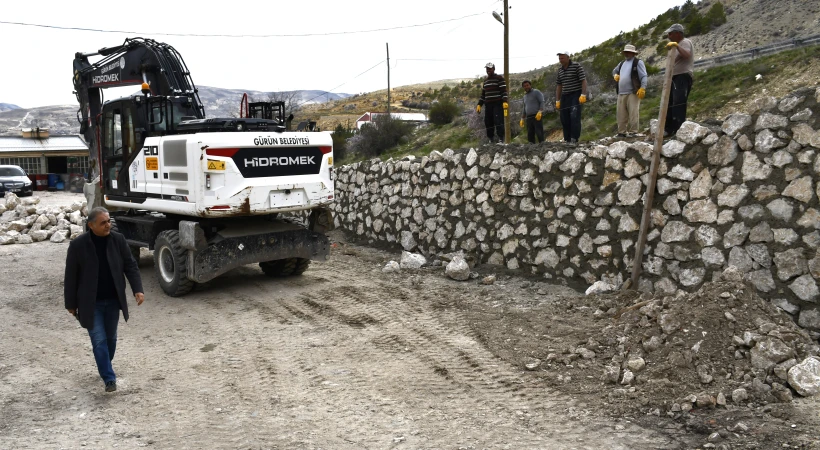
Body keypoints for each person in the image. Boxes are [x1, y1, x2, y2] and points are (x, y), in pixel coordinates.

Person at [64, 207, 144, 393]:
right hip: (90, 303)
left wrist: (138, 289)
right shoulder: (78, 245)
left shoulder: (118, 240)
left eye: (109, 221)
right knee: (99, 340)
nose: (108, 225)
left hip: (113, 300)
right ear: (91, 225)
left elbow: (130, 266)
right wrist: (70, 303)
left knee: (110, 340)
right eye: (103, 223)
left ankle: (104, 364)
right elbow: (71, 276)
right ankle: (109, 378)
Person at [663, 23, 694, 137]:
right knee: (669, 103)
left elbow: (687, 55)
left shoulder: (685, 42)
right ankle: (669, 128)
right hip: (673, 77)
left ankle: (678, 129)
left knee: (678, 103)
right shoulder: (674, 46)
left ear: (677, 33)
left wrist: (677, 46)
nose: (668, 36)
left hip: (682, 76)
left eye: (670, 33)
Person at [612, 44, 648, 137]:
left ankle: (633, 132)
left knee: (633, 113)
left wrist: (643, 88)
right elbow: (614, 71)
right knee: (621, 114)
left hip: (633, 92)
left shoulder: (638, 62)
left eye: (628, 52)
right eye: (625, 52)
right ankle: (621, 132)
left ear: (633, 53)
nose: (626, 54)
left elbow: (644, 76)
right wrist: (615, 75)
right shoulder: (621, 63)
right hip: (621, 93)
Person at [555, 51, 588, 147]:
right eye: (559, 58)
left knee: (574, 116)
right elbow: (559, 85)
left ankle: (574, 138)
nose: (560, 60)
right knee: (564, 118)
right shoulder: (560, 70)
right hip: (565, 96)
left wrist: (583, 94)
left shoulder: (576, 66)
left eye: (562, 58)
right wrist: (557, 100)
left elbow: (583, 80)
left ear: (568, 57)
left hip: (575, 94)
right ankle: (567, 138)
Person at [476, 62, 509, 143]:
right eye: (487, 69)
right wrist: (479, 104)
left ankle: (501, 139)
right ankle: (491, 140)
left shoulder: (499, 78)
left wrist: (505, 101)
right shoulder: (486, 81)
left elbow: (503, 91)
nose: (488, 70)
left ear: (494, 69)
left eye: (490, 68)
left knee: (498, 121)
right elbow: (483, 95)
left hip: (497, 104)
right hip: (488, 105)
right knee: (488, 122)